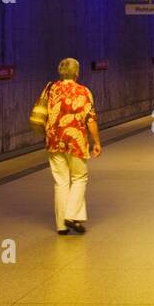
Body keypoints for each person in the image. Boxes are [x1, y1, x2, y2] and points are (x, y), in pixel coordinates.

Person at [44, 57, 102, 235]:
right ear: (77, 73)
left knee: (60, 183)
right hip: (75, 142)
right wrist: (97, 142)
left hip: (53, 140)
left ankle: (61, 226)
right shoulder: (83, 91)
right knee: (79, 178)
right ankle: (71, 215)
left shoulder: (50, 88)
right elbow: (90, 119)